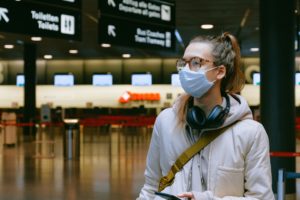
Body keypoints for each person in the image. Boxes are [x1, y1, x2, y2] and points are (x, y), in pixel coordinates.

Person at [137, 32, 274, 200]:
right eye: (183, 63)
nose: (186, 70)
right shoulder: (165, 122)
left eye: (196, 62)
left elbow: (262, 197)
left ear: (219, 71)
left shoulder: (251, 133)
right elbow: (151, 186)